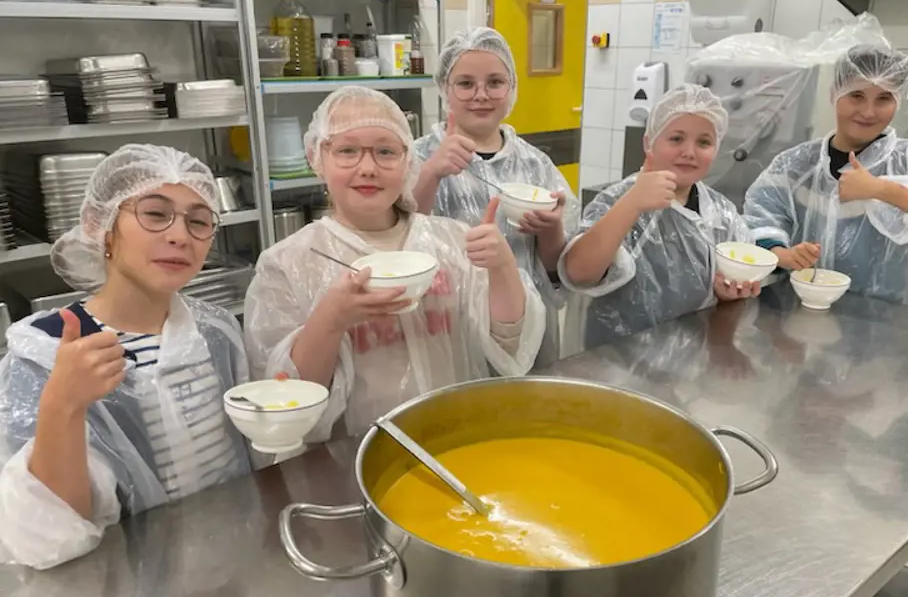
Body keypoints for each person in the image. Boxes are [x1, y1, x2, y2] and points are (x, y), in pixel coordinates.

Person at [0, 144, 252, 570]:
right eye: (155, 213)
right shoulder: (45, 354)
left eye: (198, 221)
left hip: (238, 561)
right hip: (126, 583)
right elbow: (46, 541)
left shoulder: (217, 330)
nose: (180, 236)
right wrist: (63, 404)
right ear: (100, 226)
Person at [243, 87, 544, 439]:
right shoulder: (288, 263)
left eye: (386, 151)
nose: (367, 168)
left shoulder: (451, 241)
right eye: (347, 151)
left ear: (408, 161)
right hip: (354, 454)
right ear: (316, 158)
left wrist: (502, 267)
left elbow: (510, 345)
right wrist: (331, 319)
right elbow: (289, 405)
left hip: (455, 439)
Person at [743, 44, 908, 315]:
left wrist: (883, 190)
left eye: (884, 98)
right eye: (856, 95)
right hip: (800, 314)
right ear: (835, 94)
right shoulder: (795, 165)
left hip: (888, 321)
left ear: (898, 101)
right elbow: (760, 219)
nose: (869, 112)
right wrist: (784, 254)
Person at [412, 27, 579, 364]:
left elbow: (556, 270)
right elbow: (399, 239)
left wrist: (552, 229)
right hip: (449, 325)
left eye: (495, 82)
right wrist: (431, 174)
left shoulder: (535, 164)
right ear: (444, 87)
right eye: (465, 83)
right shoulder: (415, 157)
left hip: (528, 326)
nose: (481, 95)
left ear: (511, 87)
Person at [559, 84, 760, 350]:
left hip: (692, 361)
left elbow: (733, 277)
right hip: (615, 360)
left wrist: (727, 292)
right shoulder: (618, 199)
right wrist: (632, 204)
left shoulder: (721, 213)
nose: (689, 152)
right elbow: (579, 273)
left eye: (704, 142)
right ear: (649, 143)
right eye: (676, 139)